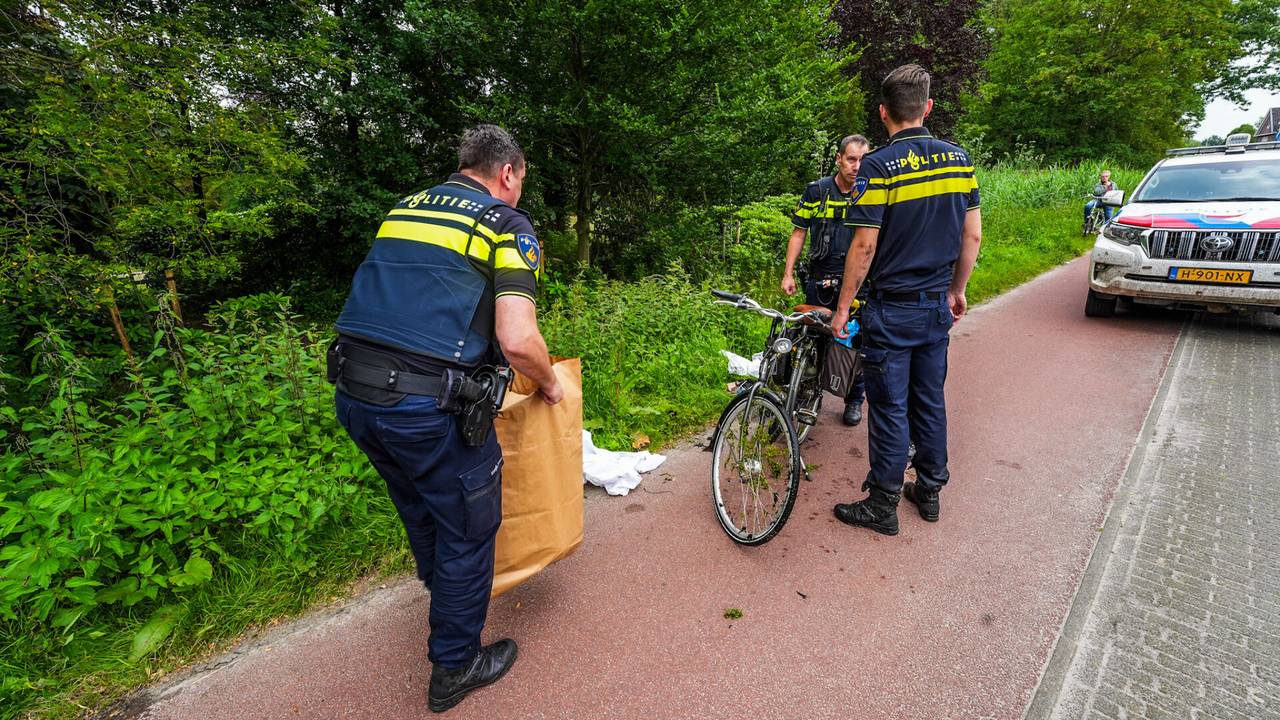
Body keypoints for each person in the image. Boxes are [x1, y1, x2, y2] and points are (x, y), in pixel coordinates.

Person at [329, 125, 562, 712]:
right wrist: (551, 382)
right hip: (425, 408)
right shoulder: (505, 224)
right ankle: (455, 667)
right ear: (507, 173)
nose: (518, 191)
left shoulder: (404, 209)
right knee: (469, 527)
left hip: (354, 393)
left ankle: (445, 594)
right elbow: (516, 337)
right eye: (521, 180)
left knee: (418, 500)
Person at [830, 64, 982, 536]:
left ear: (883, 113)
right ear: (928, 107)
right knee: (929, 399)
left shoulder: (876, 166)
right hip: (936, 304)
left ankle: (882, 502)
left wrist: (840, 309)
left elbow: (863, 245)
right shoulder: (960, 161)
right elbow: (972, 236)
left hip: (891, 307)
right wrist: (957, 291)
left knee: (890, 404)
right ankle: (930, 490)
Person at [782, 134, 872, 425]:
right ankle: (810, 393)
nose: (857, 166)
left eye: (863, 160)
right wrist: (787, 273)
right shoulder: (816, 191)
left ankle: (854, 399)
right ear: (838, 159)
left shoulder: (871, 193)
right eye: (851, 159)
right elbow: (799, 232)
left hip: (859, 282)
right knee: (815, 340)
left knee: (853, 342)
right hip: (820, 280)